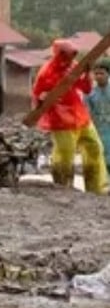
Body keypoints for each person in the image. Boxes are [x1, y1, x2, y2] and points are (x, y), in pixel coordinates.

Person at [32, 39, 106, 194]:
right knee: (65, 156)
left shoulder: (73, 66)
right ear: (58, 54)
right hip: (61, 122)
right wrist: (42, 99)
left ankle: (97, 188)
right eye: (66, 55)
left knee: (95, 148)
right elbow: (37, 97)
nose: (70, 59)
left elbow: (86, 89)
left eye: (72, 55)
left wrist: (87, 74)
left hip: (81, 117)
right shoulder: (46, 73)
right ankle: (63, 188)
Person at [86, 58, 110, 175]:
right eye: (96, 73)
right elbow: (87, 112)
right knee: (99, 155)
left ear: (108, 74)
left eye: (102, 73)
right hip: (97, 127)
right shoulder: (90, 92)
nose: (99, 76)